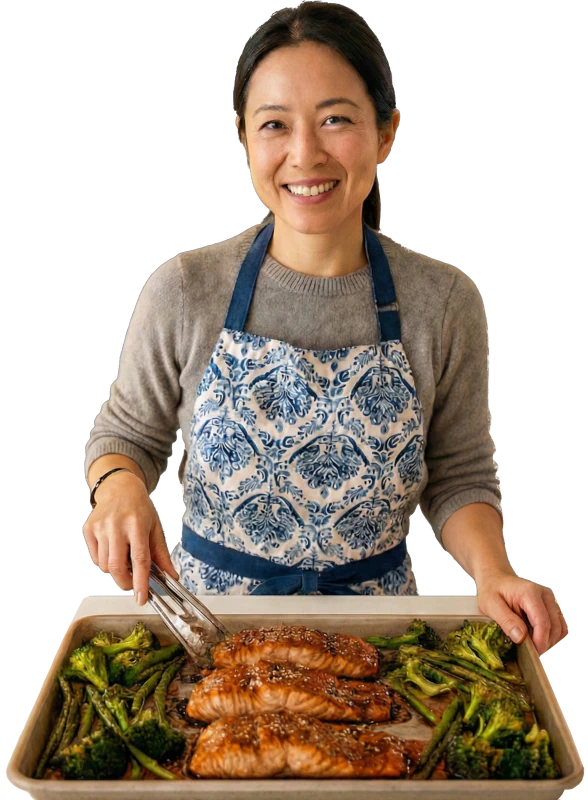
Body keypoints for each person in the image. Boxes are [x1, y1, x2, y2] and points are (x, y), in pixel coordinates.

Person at [84, 3, 567, 656]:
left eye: (336, 119)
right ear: (245, 139)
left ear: (386, 132)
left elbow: (458, 476)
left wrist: (493, 574)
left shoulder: (443, 301)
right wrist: (117, 490)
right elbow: (126, 436)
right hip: (206, 640)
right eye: (274, 125)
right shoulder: (186, 288)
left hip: (376, 647)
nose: (304, 154)